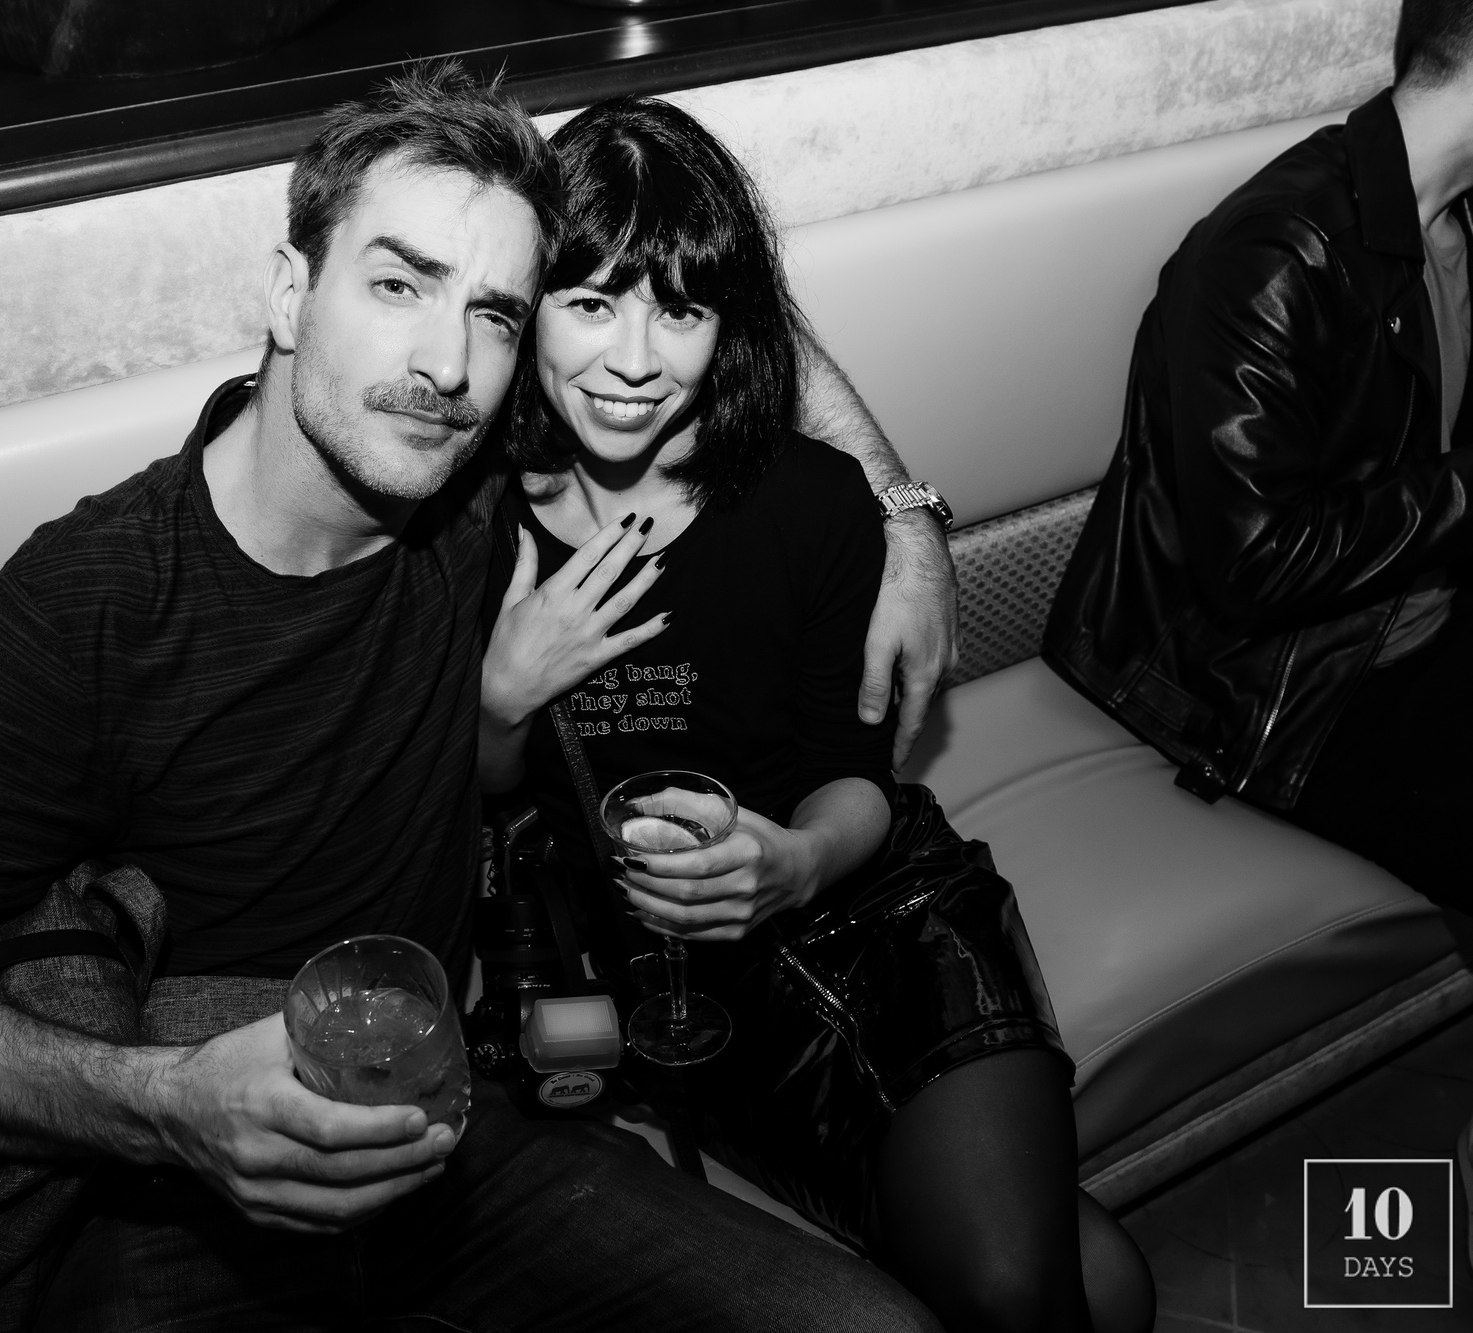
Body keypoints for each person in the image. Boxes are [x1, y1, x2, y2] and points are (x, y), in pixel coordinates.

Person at [0, 64, 945, 1331]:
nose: (444, 362)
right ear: (289, 292)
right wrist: (166, 1106)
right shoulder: (90, 607)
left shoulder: (472, 488)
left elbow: (700, 300)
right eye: (397, 285)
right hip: (185, 1181)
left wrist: (906, 516)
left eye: (493, 314)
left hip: (459, 1132)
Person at [478, 97, 1155, 1333]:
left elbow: (858, 774)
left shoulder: (810, 502)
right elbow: (479, 796)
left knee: (1037, 1287)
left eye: (679, 311)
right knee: (1090, 1287)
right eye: (589, 303)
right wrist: (503, 694)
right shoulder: (478, 533)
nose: (632, 360)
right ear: (527, 309)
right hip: (684, 988)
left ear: (726, 325)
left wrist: (793, 859)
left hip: (879, 914)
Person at [1042, 0, 1473, 1254]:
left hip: (1412, 613)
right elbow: (1252, 563)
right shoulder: (1271, 249)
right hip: (1268, 680)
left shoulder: (1450, 218)